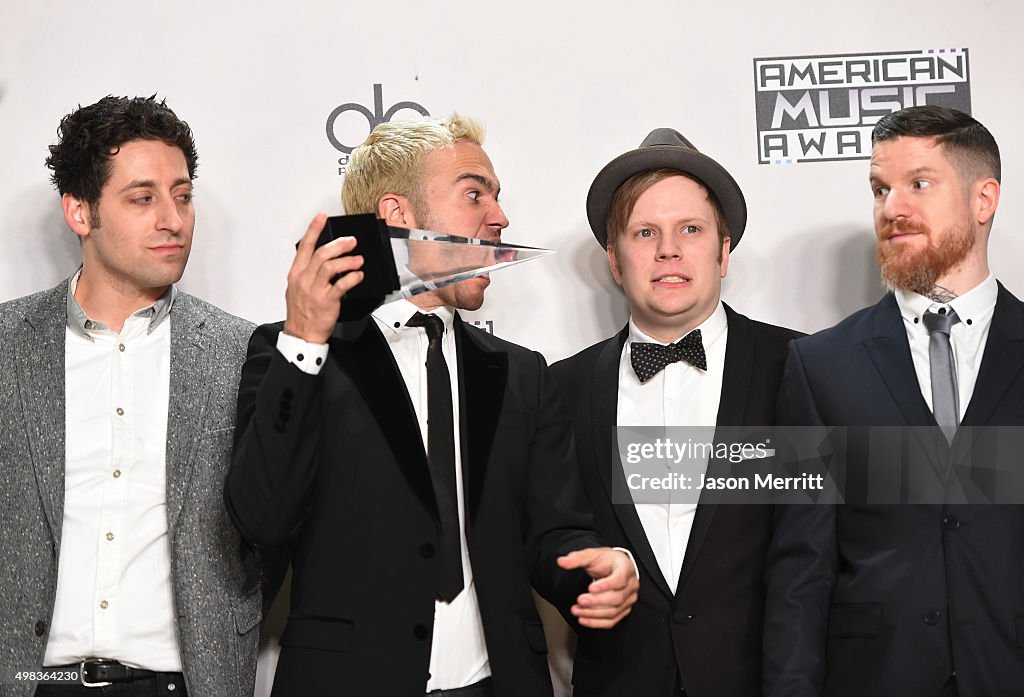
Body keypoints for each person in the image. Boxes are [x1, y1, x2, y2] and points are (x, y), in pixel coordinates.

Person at [225, 114, 639, 697]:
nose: (500, 217)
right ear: (398, 217)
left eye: (497, 197)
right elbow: (262, 517)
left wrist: (597, 567)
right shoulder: (294, 352)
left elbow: (555, 533)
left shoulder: (521, 373)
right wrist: (304, 341)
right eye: (474, 193)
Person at [0, 96, 262, 697]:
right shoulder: (8, 345)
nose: (172, 219)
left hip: (187, 683)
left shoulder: (242, 351)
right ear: (80, 212)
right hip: (32, 680)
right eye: (142, 198)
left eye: (183, 195)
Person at [764, 105, 1024, 696]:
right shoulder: (819, 365)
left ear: (984, 200)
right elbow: (800, 570)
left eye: (919, 184)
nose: (892, 208)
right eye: (880, 189)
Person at [550, 129, 801, 696]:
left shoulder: (799, 367)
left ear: (723, 250)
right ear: (614, 260)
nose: (669, 250)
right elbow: (548, 536)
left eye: (691, 229)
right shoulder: (559, 389)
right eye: (645, 233)